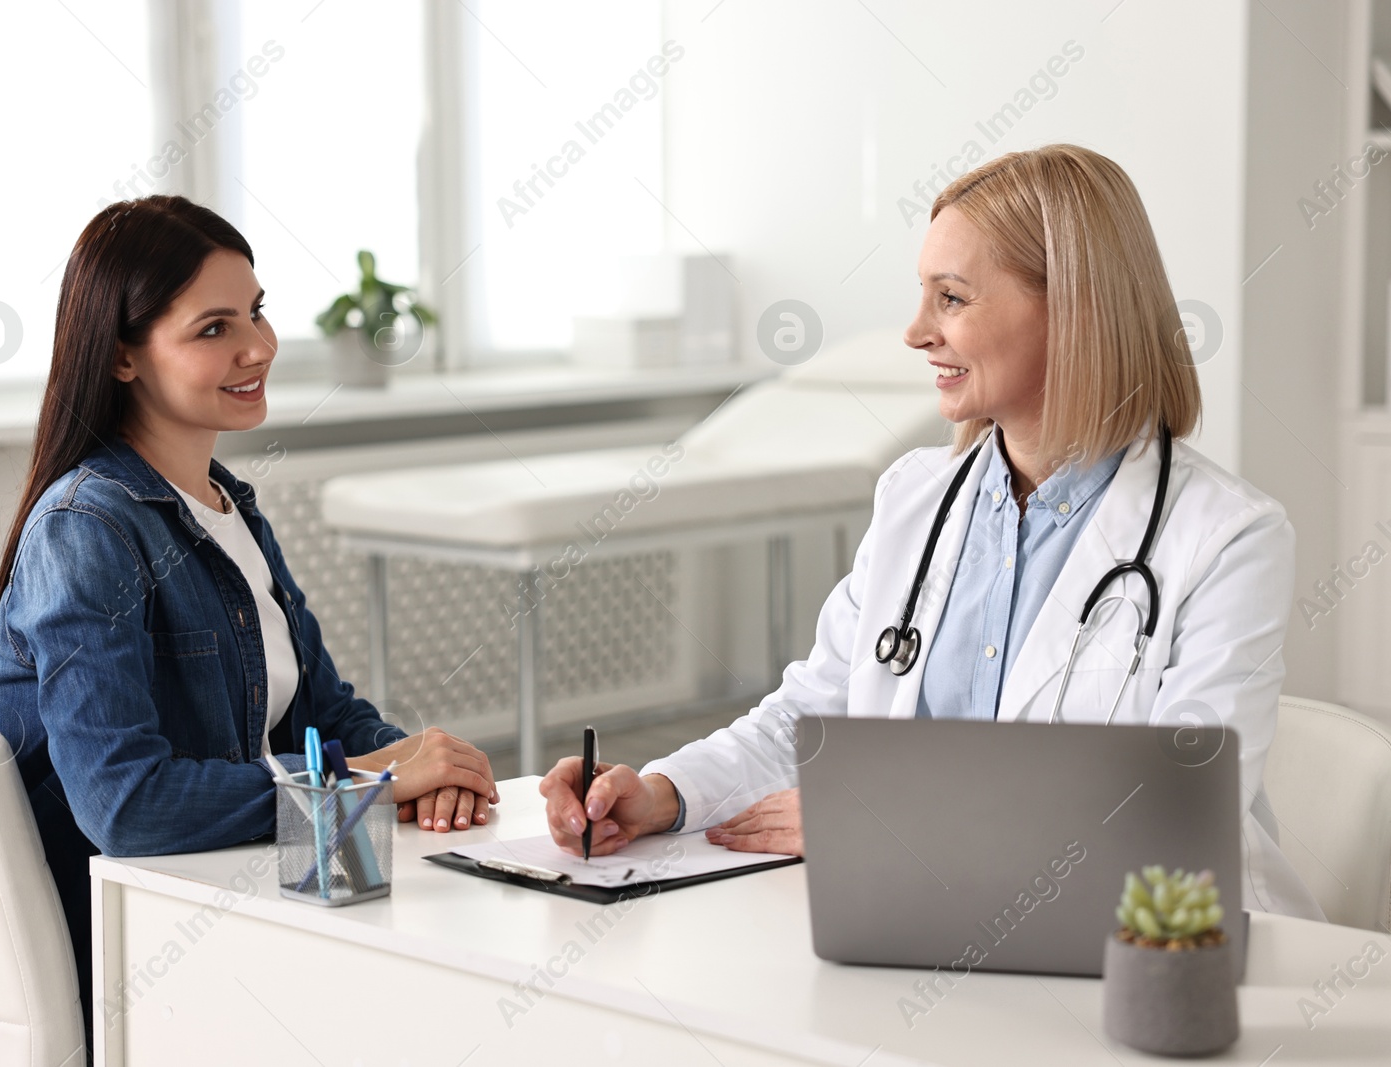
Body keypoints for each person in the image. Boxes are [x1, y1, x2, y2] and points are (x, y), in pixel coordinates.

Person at [540, 144, 1324, 920]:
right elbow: (811, 721)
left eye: (951, 298)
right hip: (927, 932)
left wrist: (891, 827)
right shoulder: (916, 499)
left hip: (1157, 962)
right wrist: (663, 793)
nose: (916, 331)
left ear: (1075, 309)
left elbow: (1180, 813)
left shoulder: (1227, 537)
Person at [0, 196, 498, 1038]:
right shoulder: (87, 528)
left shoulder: (226, 507)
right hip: (151, 947)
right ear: (122, 356)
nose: (257, 347)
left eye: (256, 311)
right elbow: (128, 805)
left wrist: (424, 775)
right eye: (213, 327)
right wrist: (368, 783)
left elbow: (327, 715)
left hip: (258, 890)